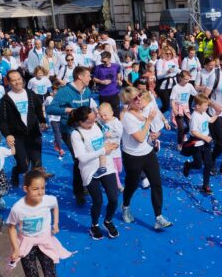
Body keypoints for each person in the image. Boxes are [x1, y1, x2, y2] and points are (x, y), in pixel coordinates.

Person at [120, 87, 173, 229]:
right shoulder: (127, 117)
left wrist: (154, 135)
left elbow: (147, 133)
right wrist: (149, 121)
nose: (139, 100)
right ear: (128, 103)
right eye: (135, 99)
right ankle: (125, 206)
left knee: (156, 183)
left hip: (148, 152)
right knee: (131, 185)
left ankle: (158, 217)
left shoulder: (142, 110)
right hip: (132, 156)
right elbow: (139, 138)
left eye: (139, 96)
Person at [6, 169, 72, 276]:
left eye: (43, 188)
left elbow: (55, 206)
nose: (40, 192)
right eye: (35, 189)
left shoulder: (49, 200)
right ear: (25, 189)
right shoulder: (17, 208)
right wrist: (16, 249)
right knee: (31, 274)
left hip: (45, 241)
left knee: (50, 273)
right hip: (26, 243)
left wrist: (55, 223)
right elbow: (11, 227)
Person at [69, 106, 120, 240]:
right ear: (80, 122)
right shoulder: (76, 134)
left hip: (106, 166)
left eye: (94, 119)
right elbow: (82, 157)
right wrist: (103, 150)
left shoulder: (97, 125)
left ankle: (108, 221)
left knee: (114, 199)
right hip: (90, 170)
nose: (93, 123)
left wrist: (111, 143)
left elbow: (104, 139)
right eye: (89, 121)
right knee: (98, 201)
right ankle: (94, 225)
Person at [46, 66, 95, 206]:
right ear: (80, 77)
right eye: (88, 76)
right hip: (68, 130)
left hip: (84, 129)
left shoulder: (87, 91)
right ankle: (79, 191)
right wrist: (68, 110)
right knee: (79, 159)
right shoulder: (64, 92)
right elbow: (50, 109)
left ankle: (85, 184)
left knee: (87, 159)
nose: (90, 78)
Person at [0, 70, 47, 186]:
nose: (17, 82)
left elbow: (38, 108)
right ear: (9, 82)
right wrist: (7, 134)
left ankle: (34, 186)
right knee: (23, 165)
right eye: (14, 80)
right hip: (17, 136)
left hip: (33, 133)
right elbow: (2, 120)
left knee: (36, 163)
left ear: (22, 79)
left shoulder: (30, 94)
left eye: (19, 79)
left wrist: (42, 121)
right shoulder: (5, 99)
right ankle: (16, 171)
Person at [181, 94, 220, 194]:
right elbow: (193, 132)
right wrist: (205, 137)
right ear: (198, 106)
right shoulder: (195, 117)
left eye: (207, 105)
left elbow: (211, 120)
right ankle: (188, 165)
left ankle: (205, 185)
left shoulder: (203, 113)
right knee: (198, 165)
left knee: (208, 164)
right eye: (205, 105)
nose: (207, 107)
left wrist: (217, 113)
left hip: (206, 143)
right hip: (197, 144)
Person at [97, 103, 124, 191]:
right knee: (114, 169)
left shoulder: (116, 122)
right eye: (101, 115)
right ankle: (118, 185)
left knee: (119, 168)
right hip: (108, 150)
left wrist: (111, 135)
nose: (103, 117)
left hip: (116, 150)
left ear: (112, 113)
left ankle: (115, 180)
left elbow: (120, 133)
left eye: (105, 115)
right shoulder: (101, 122)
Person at [170, 70, 197, 150]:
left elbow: (196, 95)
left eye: (188, 79)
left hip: (186, 107)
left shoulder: (189, 86)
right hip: (178, 108)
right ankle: (179, 143)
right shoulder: (176, 88)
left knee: (190, 125)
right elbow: (172, 100)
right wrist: (174, 110)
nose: (187, 81)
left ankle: (183, 134)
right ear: (180, 78)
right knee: (181, 127)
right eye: (185, 79)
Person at [93, 51, 123, 117]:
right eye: (102, 61)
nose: (104, 63)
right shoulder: (98, 67)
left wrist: (118, 80)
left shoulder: (116, 66)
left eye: (105, 62)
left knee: (116, 112)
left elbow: (118, 73)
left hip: (114, 93)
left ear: (110, 59)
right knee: (103, 113)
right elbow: (94, 78)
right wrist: (101, 82)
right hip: (103, 94)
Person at [155, 46, 180, 114]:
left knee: (175, 103)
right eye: (166, 53)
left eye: (170, 53)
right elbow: (158, 76)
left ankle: (174, 119)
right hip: (164, 87)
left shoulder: (174, 60)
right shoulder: (160, 61)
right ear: (163, 53)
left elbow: (177, 70)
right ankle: (158, 116)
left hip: (174, 85)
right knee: (166, 105)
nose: (168, 55)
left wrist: (185, 73)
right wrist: (167, 72)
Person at [44, 82, 65, 158]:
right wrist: (44, 113)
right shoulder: (49, 98)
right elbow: (44, 105)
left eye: (59, 91)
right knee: (58, 133)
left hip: (61, 118)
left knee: (61, 134)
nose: (57, 92)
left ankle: (56, 142)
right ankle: (60, 149)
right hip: (52, 119)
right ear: (52, 91)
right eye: (56, 90)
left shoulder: (63, 99)